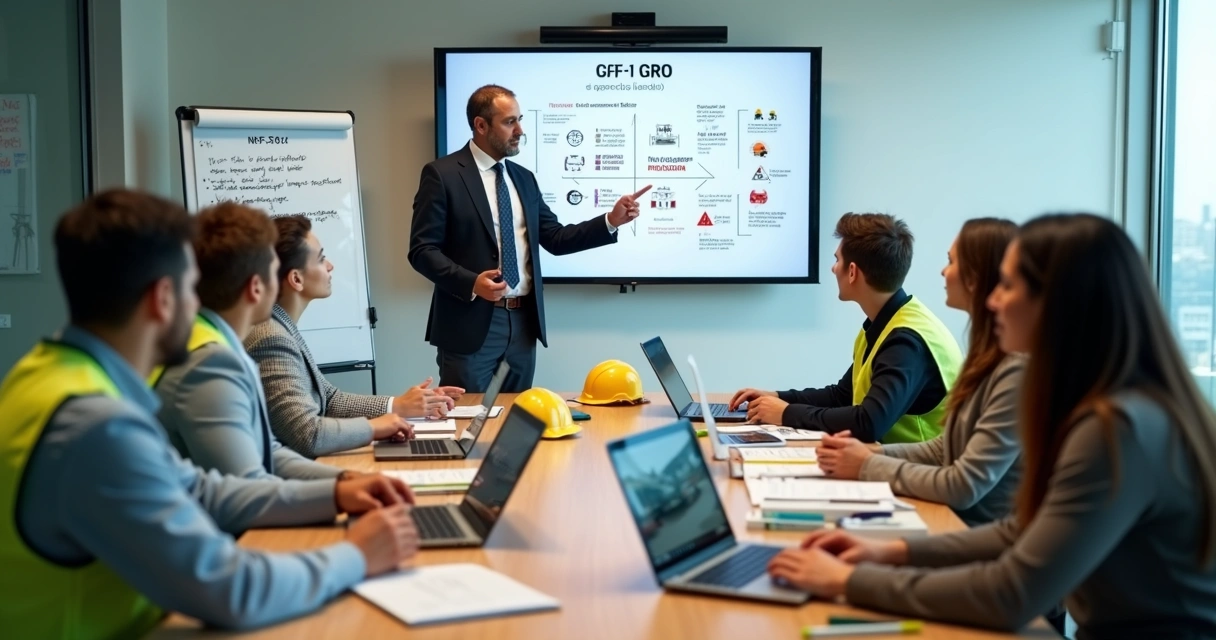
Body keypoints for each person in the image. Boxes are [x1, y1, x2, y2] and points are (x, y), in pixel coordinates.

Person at [766, 213, 1216, 637]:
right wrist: (893, 552)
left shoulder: (1117, 428)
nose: (994, 300)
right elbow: (1024, 528)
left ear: (1059, 303)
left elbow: (1011, 593)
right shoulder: (1106, 404)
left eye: (1009, 285)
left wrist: (848, 580)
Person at [0, 189, 420, 638]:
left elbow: (199, 489)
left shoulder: (44, 374)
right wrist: (357, 555)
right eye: (192, 288)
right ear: (163, 299)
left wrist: (335, 492)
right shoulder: (97, 426)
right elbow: (232, 590)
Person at [408, 84, 652, 393]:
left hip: (523, 324)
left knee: (515, 417)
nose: (520, 130)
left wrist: (611, 221)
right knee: (467, 417)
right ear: (481, 125)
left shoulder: (523, 178)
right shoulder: (442, 174)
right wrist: (472, 283)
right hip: (470, 325)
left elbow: (556, 238)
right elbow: (422, 250)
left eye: (519, 120)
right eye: (509, 122)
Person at [155, 202, 391, 481]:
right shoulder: (212, 363)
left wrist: (345, 482)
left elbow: (268, 452)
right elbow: (247, 483)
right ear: (256, 287)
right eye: (274, 269)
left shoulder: (220, 343)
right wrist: (342, 487)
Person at [817, 218, 1024, 526]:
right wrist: (870, 456)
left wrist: (868, 464)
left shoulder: (1014, 368)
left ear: (976, 277)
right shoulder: (986, 355)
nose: (943, 271)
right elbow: (945, 448)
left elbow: (964, 485)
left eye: (951, 261)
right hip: (945, 509)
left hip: (962, 523)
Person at [730, 212, 963, 443]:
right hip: (888, 458)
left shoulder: (905, 341)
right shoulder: (888, 323)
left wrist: (786, 413)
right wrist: (777, 398)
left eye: (837, 260)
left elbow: (869, 423)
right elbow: (842, 395)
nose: (833, 269)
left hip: (918, 465)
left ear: (852, 272)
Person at [246, 214, 460, 458]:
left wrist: (400, 405)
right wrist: (374, 428)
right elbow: (307, 435)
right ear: (296, 279)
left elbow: (329, 399)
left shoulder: (282, 327)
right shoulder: (271, 338)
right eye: (321, 259)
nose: (330, 266)